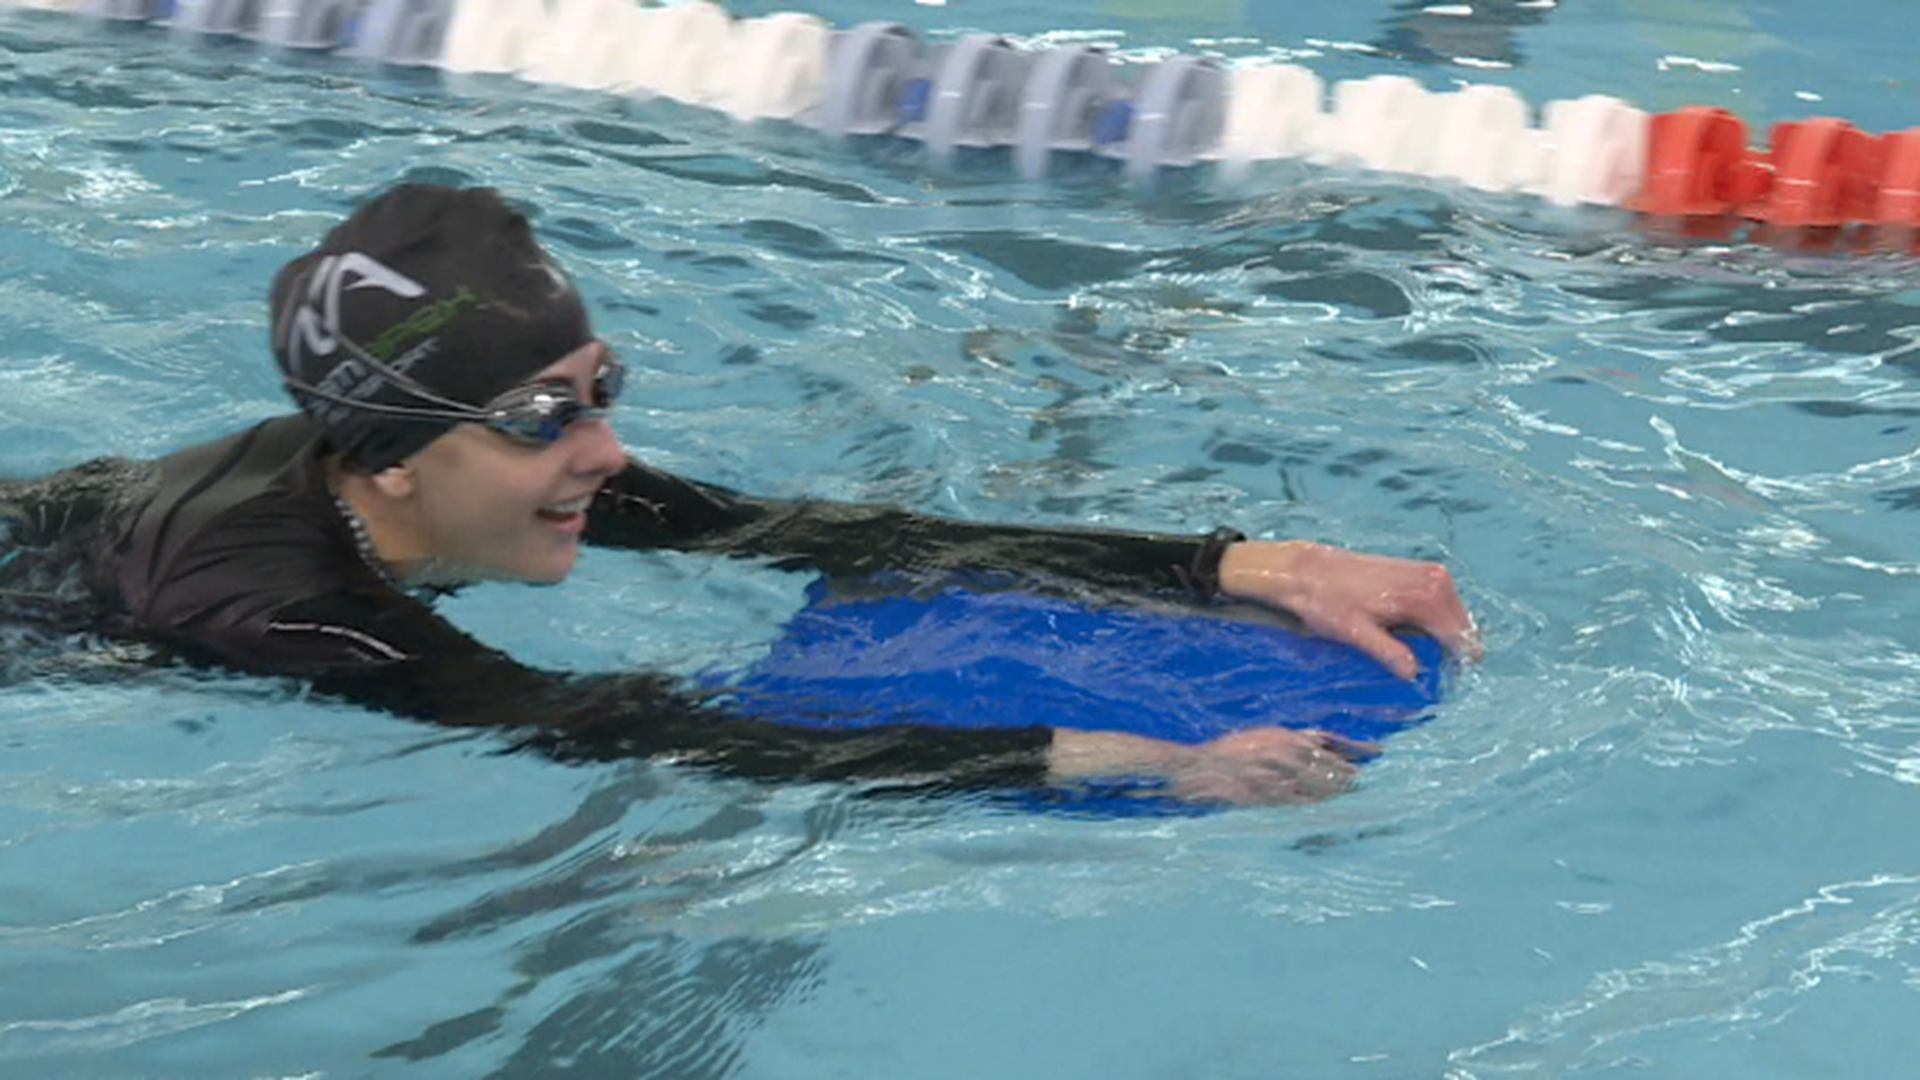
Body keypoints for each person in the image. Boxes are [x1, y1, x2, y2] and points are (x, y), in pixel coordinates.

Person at [0, 183, 1478, 806]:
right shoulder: (277, 606)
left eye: (602, 390)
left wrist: (1252, 567)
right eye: (538, 416)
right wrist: (1115, 758)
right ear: (392, 458)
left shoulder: (452, 477)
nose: (598, 450)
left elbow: (841, 540)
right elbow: (622, 728)